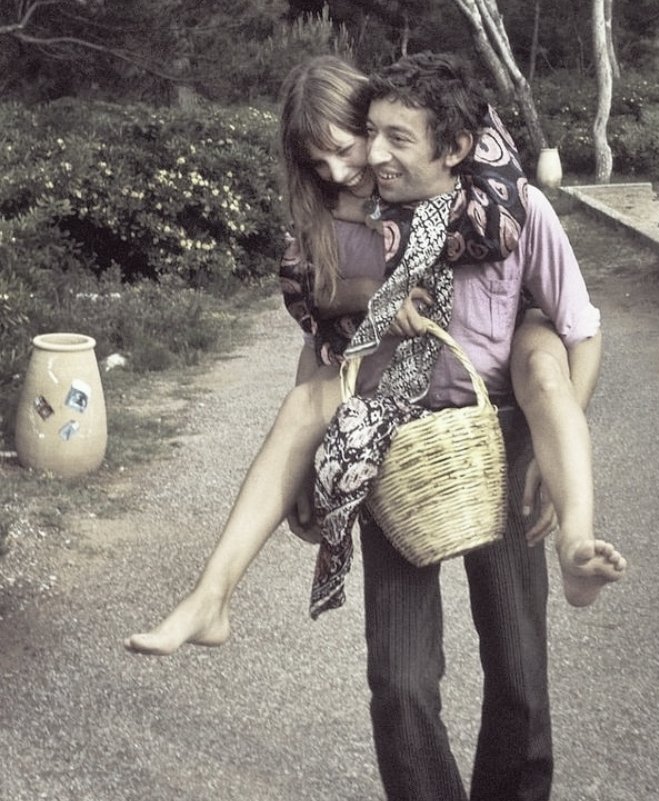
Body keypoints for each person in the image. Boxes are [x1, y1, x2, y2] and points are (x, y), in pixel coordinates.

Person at [125, 56, 624, 669]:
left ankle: (577, 546)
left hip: (499, 415)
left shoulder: (496, 197)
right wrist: (307, 464)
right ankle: (211, 595)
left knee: (518, 663)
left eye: (348, 147)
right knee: (400, 679)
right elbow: (323, 336)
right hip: (396, 416)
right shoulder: (333, 218)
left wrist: (555, 455)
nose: (341, 171)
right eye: (319, 163)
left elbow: (579, 325)